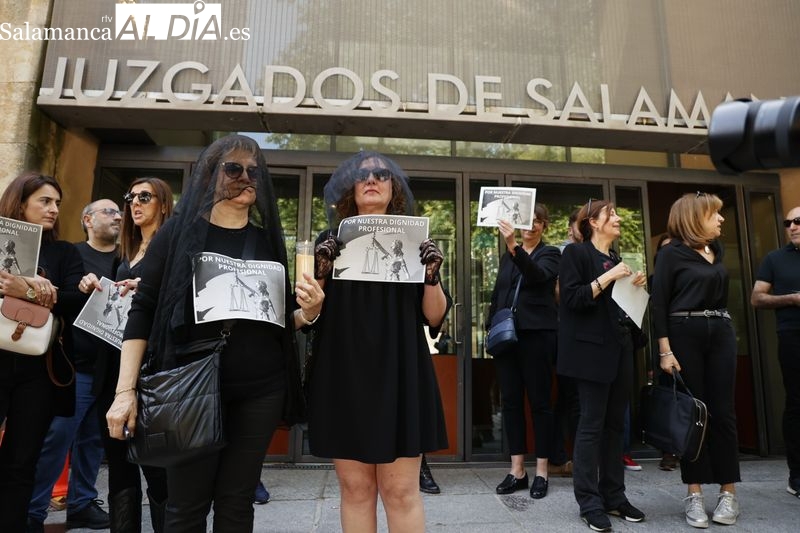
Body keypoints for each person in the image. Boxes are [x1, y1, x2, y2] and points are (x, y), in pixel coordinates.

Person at [106, 134, 307, 532]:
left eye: (254, 170)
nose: (246, 176)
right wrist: (124, 392)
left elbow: (279, 318)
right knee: (186, 506)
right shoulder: (177, 233)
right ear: (211, 175)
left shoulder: (267, 240)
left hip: (261, 389)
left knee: (238, 502)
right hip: (190, 388)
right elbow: (143, 310)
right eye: (233, 168)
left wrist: (310, 313)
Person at [306, 151, 450, 533]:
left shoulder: (415, 241)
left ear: (393, 187)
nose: (372, 179)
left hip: (400, 371)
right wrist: (320, 273)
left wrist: (432, 277)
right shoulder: (330, 240)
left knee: (401, 491)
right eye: (362, 174)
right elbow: (307, 313)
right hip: (344, 373)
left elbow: (434, 316)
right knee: (355, 489)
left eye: (381, 174)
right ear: (350, 188)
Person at [27, 200, 122, 532]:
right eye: (109, 212)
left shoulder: (126, 260)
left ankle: (81, 503)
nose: (118, 216)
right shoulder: (71, 255)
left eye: (118, 213)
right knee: (57, 439)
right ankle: (33, 511)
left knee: (94, 441)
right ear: (87, 219)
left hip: (111, 367)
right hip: (74, 365)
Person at [85, 178, 173, 532]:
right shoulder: (126, 253)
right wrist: (95, 287)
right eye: (131, 197)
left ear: (164, 205)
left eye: (145, 197)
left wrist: (149, 290)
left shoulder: (171, 250)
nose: (135, 203)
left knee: (157, 468)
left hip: (154, 371)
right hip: (116, 367)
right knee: (119, 466)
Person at [0, 172, 84, 532]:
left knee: (21, 462)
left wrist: (27, 290)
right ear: (20, 203)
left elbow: (75, 302)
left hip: (38, 367)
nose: (53, 210)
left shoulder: (65, 252)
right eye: (45, 201)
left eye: (57, 204)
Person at [557, 199, 647, 532]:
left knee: (615, 428)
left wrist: (634, 289)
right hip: (590, 353)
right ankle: (589, 502)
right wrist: (609, 277)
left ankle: (615, 497)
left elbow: (619, 308)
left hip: (620, 349)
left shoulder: (617, 259)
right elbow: (572, 299)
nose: (619, 218)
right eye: (612, 215)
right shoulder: (575, 254)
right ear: (593, 222)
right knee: (591, 426)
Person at [651, 192, 740, 528]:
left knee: (724, 413)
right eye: (714, 214)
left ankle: (729, 493)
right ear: (694, 217)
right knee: (694, 414)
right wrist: (664, 350)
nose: (720, 219)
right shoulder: (671, 253)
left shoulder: (717, 250)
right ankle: (695, 493)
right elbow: (659, 303)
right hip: (683, 331)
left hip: (720, 330)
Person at [487, 205, 560, 499]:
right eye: (526, 221)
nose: (531, 227)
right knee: (512, 403)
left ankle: (542, 470)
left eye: (537, 222)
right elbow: (498, 293)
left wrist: (513, 246)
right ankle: (517, 470)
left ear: (544, 226)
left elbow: (537, 277)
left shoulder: (551, 253)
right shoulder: (509, 255)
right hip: (507, 339)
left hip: (537, 337)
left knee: (540, 403)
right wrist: (492, 327)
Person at [750, 205, 800, 499]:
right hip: (793, 337)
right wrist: (792, 299)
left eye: (798, 221)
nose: (792, 226)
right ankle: (796, 474)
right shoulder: (775, 259)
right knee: (796, 404)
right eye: (788, 222)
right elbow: (757, 298)